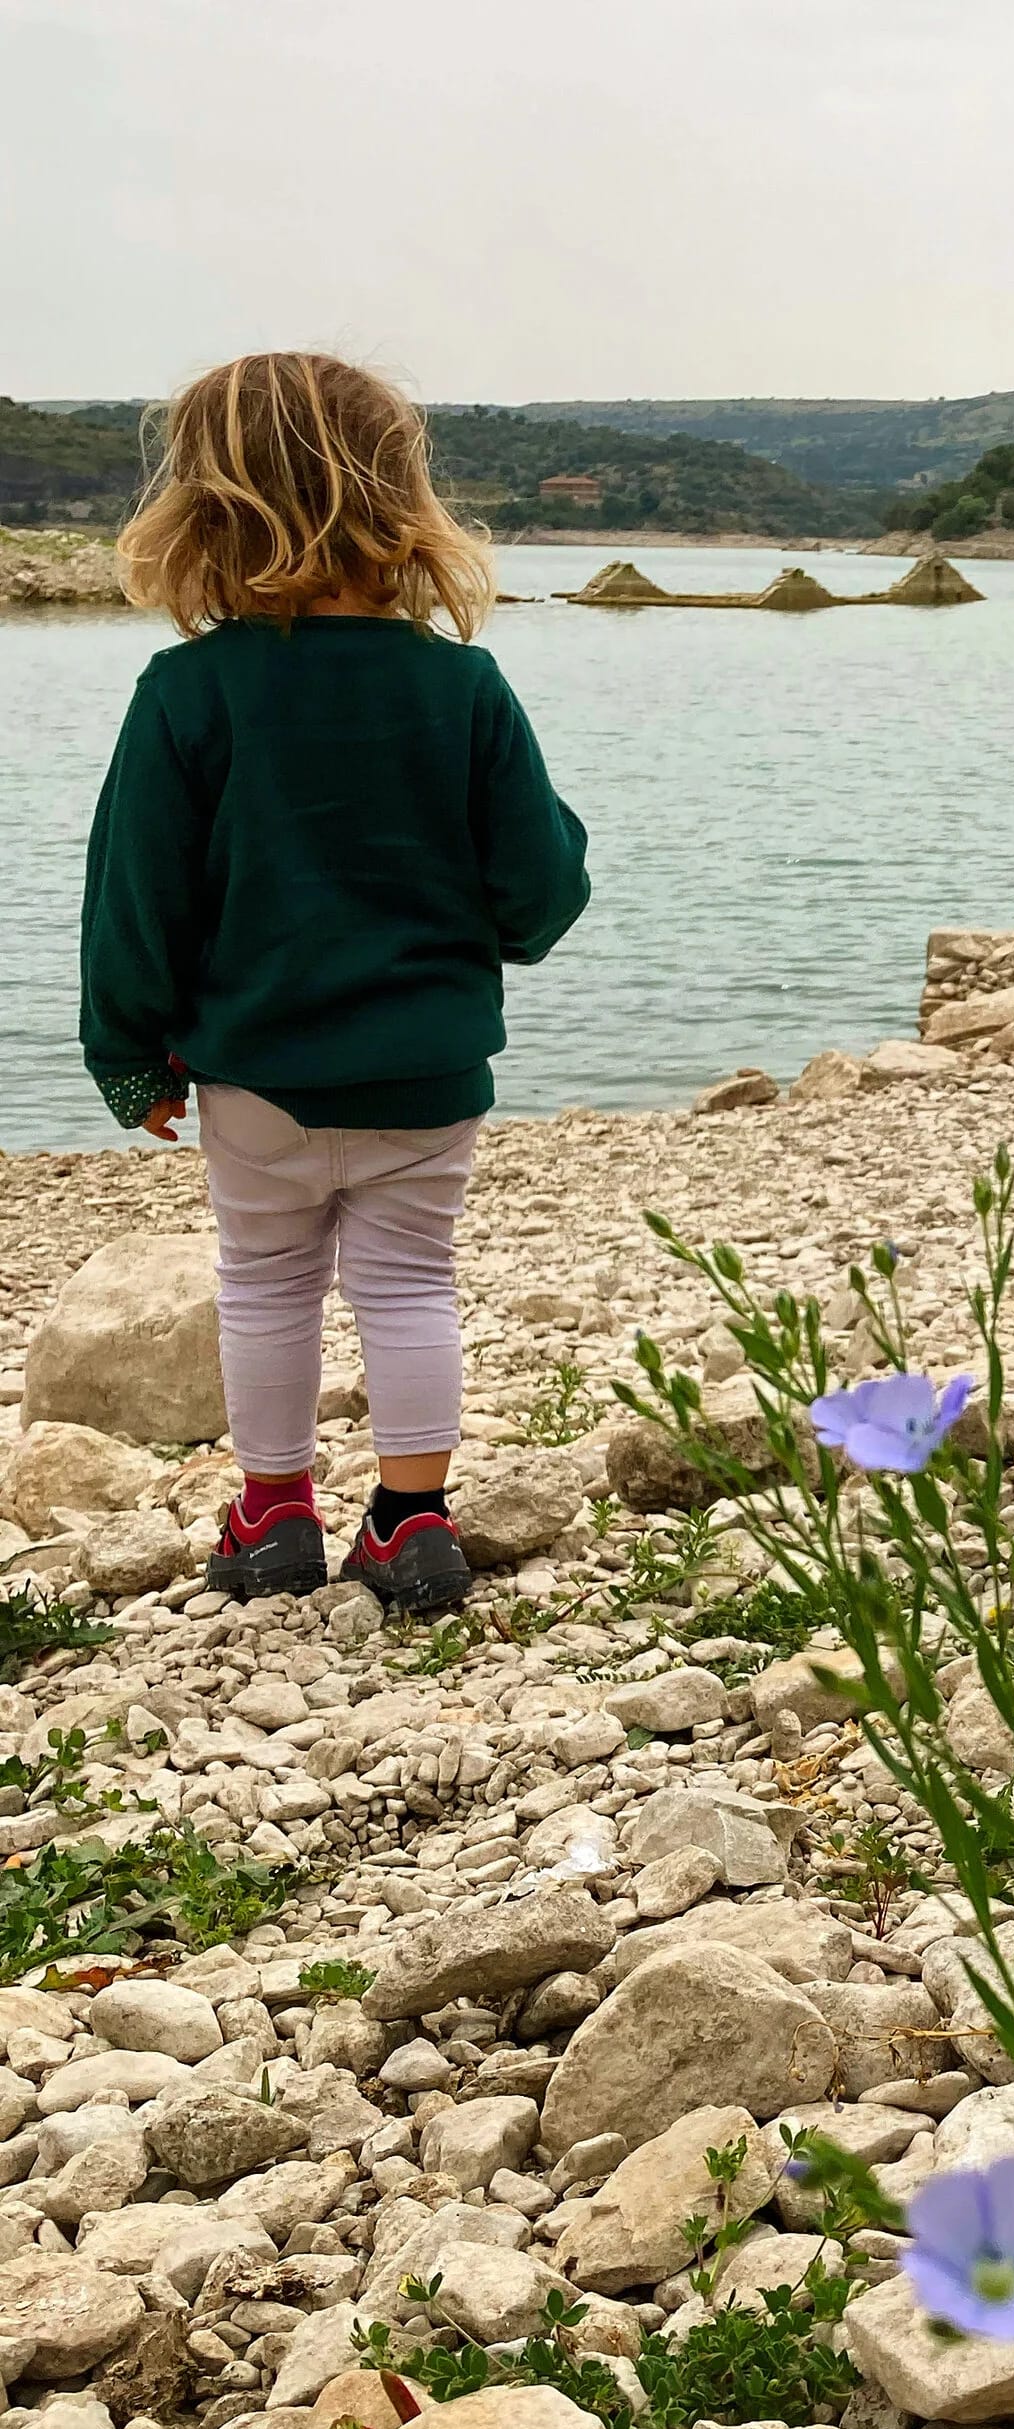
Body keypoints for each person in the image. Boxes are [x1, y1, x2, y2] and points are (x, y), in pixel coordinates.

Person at [80, 352, 590, 1614]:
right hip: (427, 1070)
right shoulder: (461, 686)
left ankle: (274, 1517)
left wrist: (129, 1052)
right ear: (403, 498)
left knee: (264, 1279)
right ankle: (413, 1523)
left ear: (209, 509)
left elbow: (138, 895)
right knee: (411, 1283)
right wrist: (481, 928)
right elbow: (543, 890)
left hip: (257, 1068)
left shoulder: (192, 689)